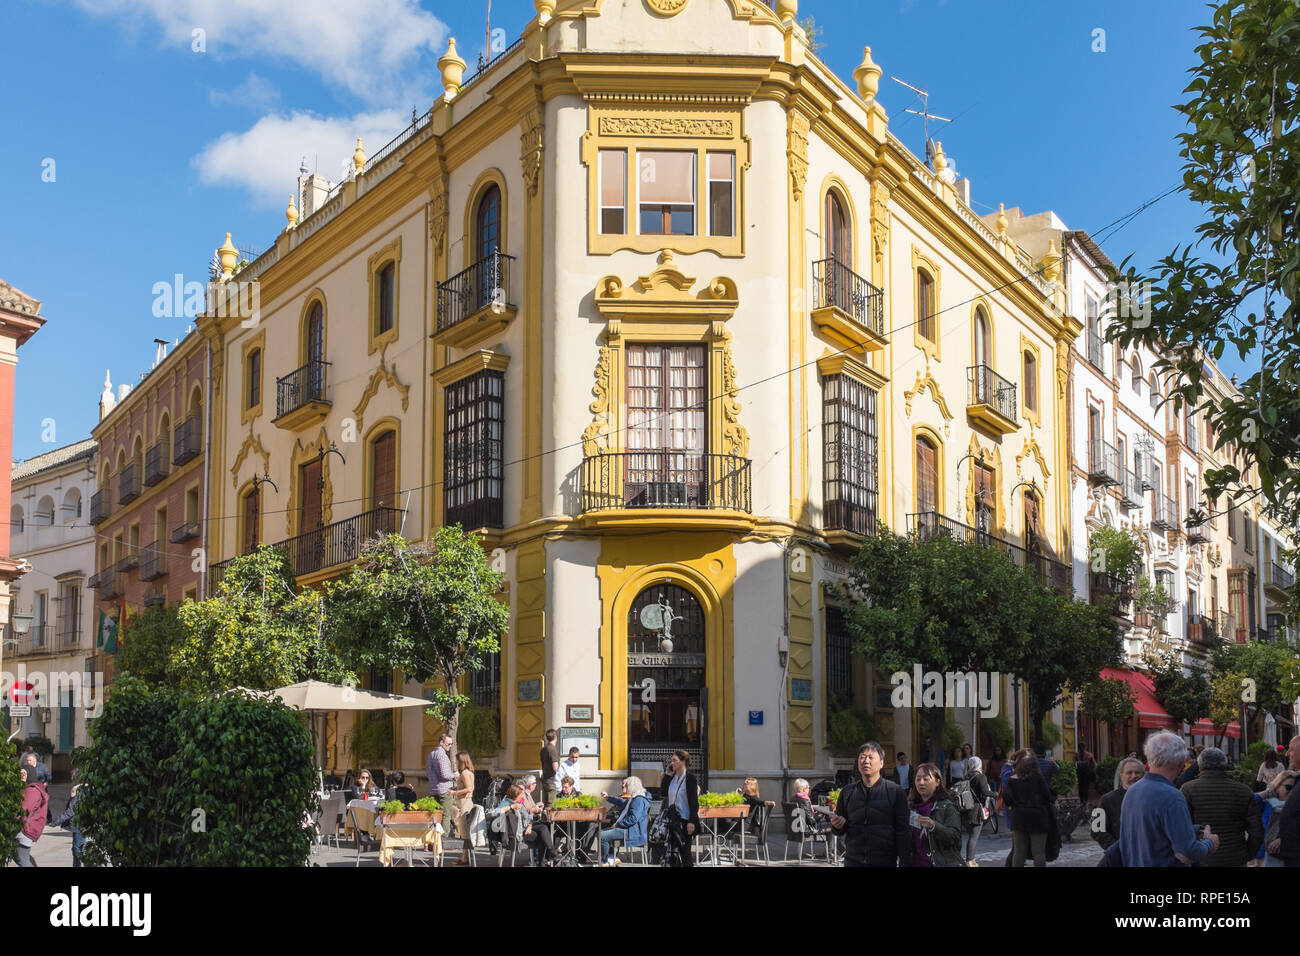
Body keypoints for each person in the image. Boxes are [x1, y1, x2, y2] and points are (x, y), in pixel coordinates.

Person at [1105, 731, 1217, 867]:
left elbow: (1150, 832)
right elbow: (1189, 851)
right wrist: (1210, 842)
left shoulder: (1132, 791)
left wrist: (1190, 829)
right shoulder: (1172, 797)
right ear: (1181, 762)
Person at [831, 741, 913, 867]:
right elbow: (840, 830)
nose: (866, 761)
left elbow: (903, 831)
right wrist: (837, 826)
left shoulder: (895, 792)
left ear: (881, 763)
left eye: (870, 757)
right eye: (862, 757)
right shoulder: (847, 792)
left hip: (884, 861)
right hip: (853, 860)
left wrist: (904, 861)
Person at [1180, 747, 1263, 867]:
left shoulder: (1188, 789)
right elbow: (1257, 831)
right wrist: (1248, 854)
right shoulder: (1243, 791)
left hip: (1201, 858)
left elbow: (1183, 828)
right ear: (1225, 766)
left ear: (1200, 766)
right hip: (1235, 857)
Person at [1001, 752, 1053, 867]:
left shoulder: (1011, 780)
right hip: (1038, 817)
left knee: (1019, 852)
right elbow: (1047, 796)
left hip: (1019, 817)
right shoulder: (1038, 778)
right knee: (1039, 853)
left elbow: (1007, 799)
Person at [907, 763, 964, 867]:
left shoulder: (947, 807)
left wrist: (934, 826)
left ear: (937, 782)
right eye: (918, 779)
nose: (921, 783)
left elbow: (955, 839)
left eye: (926, 779)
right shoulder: (911, 808)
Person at [659, 750, 700, 867]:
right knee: (671, 854)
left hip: (685, 820)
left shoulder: (690, 778)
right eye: (672, 760)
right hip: (672, 821)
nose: (672, 763)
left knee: (685, 853)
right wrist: (667, 775)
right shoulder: (672, 778)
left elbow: (693, 801)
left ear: (683, 762)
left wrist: (692, 821)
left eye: (675, 760)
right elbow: (663, 793)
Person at [1095, 757, 1145, 852]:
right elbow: (1096, 829)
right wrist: (1117, 848)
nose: (1133, 776)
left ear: (1143, 775)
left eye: (1137, 773)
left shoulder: (1151, 797)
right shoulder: (1106, 799)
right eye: (1129, 773)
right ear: (1121, 775)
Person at [599, 776, 651, 865]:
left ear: (632, 786)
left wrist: (618, 824)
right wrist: (608, 797)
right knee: (603, 832)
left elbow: (633, 818)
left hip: (632, 831)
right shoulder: (635, 798)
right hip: (630, 829)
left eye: (627, 785)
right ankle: (610, 858)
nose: (624, 786)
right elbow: (622, 802)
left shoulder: (638, 800)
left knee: (602, 835)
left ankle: (605, 862)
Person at [957, 755, 994, 865]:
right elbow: (985, 792)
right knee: (974, 837)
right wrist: (996, 794)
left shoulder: (967, 776)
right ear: (979, 764)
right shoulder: (980, 777)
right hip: (976, 810)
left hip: (966, 809)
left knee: (971, 835)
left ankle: (970, 859)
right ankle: (970, 860)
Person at [15, 765, 49, 867]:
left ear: (30, 774)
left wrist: (14, 825)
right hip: (28, 829)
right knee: (20, 858)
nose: (21, 776)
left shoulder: (32, 790)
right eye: (20, 774)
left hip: (26, 830)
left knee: (22, 860)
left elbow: (24, 811)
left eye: (24, 774)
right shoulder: (31, 788)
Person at [1260, 771, 1295, 867]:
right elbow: (1250, 800)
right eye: (1288, 787)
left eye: (1295, 788)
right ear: (1277, 785)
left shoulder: (1296, 807)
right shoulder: (1267, 804)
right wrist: (1268, 793)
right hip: (1267, 855)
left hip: (1290, 856)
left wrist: (1283, 838)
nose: (1292, 791)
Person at [49, 777, 84, 868]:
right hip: (80, 825)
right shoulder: (84, 789)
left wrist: (55, 822)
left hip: (79, 825)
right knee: (77, 850)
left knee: (79, 851)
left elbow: (70, 812)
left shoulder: (78, 791)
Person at [448, 751, 476, 865]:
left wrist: (455, 792)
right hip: (464, 803)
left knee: (464, 832)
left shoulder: (465, 773)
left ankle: (465, 858)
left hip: (464, 804)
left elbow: (469, 788)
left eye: (457, 761)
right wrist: (456, 787)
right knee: (464, 832)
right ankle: (465, 856)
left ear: (462, 761)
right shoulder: (467, 772)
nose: (456, 763)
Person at [426, 733, 455, 800]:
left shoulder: (431, 754)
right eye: (448, 744)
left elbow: (428, 772)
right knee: (446, 811)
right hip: (444, 792)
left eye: (451, 744)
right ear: (441, 742)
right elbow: (445, 775)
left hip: (433, 790)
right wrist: (454, 775)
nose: (450, 746)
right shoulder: (442, 755)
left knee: (436, 810)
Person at [539, 729, 560, 806]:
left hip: (545, 779)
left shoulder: (544, 749)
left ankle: (545, 818)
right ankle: (549, 818)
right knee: (551, 804)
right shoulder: (552, 749)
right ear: (556, 737)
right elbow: (555, 767)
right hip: (552, 781)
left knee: (545, 803)